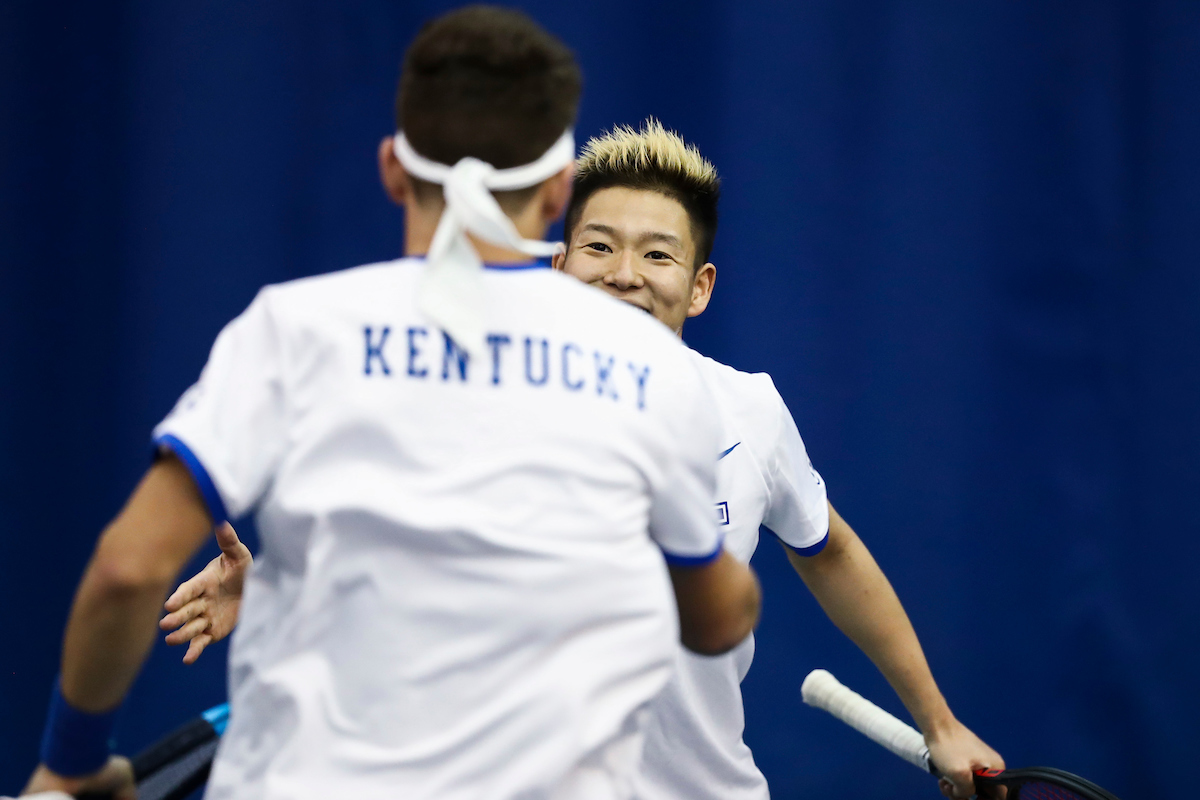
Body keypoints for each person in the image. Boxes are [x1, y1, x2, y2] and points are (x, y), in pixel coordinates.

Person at [23, 10, 761, 800]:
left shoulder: (292, 328)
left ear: (391, 168)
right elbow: (715, 620)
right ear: (556, 195)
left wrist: (68, 765)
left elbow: (128, 568)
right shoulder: (652, 371)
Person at [165, 120, 1006, 800]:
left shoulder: (748, 409)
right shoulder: (481, 404)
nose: (627, 275)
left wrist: (938, 722)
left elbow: (832, 551)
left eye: (659, 255)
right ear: (560, 266)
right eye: (599, 247)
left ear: (701, 285)